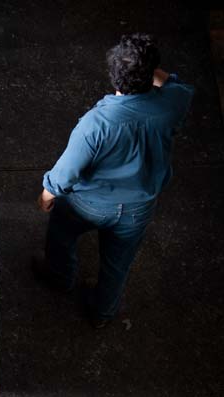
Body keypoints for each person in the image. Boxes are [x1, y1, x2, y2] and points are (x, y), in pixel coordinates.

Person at [33, 33, 194, 328]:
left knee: (61, 235)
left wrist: (47, 195)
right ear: (150, 73)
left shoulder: (96, 124)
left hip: (88, 204)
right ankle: (102, 313)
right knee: (117, 265)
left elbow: (67, 172)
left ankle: (60, 278)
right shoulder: (174, 102)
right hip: (138, 208)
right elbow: (174, 84)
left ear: (114, 77)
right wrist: (147, 67)